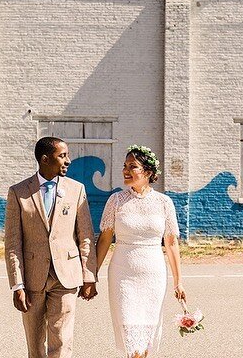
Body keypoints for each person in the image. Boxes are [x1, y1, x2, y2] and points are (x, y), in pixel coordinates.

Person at [4, 136, 98, 358]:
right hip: (31, 280)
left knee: (62, 342)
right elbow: (12, 243)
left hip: (66, 276)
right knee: (35, 347)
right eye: (62, 156)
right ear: (45, 159)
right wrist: (17, 284)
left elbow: (85, 236)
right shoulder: (18, 192)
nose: (68, 161)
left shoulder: (76, 190)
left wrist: (89, 275)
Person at [96, 144, 185, 358]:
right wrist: (92, 275)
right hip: (122, 275)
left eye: (132, 166)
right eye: (125, 166)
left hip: (153, 275)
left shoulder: (164, 203)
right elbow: (105, 239)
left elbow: (171, 243)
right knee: (129, 332)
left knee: (146, 335)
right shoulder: (115, 200)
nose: (125, 170)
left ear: (148, 172)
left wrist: (178, 281)